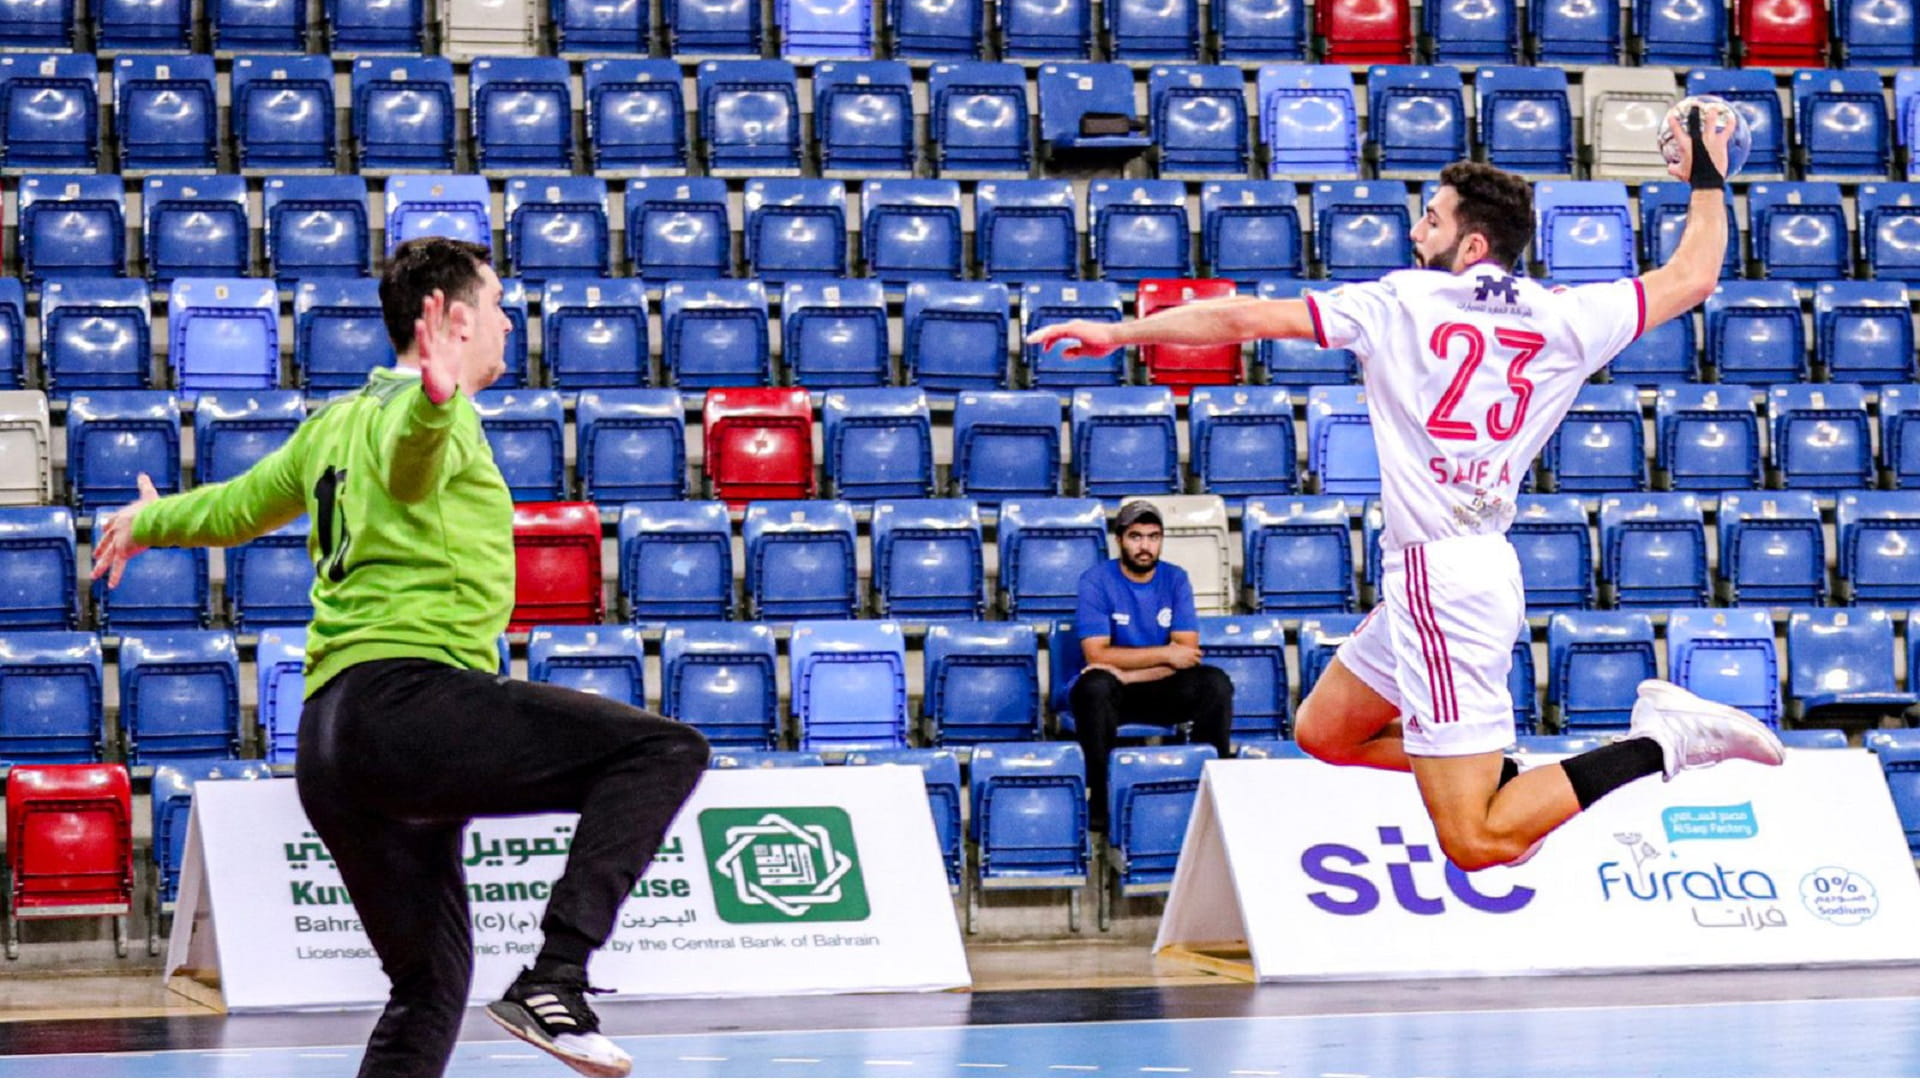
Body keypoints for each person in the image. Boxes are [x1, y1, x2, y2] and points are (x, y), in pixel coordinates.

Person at [1027, 107, 1783, 872]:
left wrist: (1123, 333)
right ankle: (1501, 775)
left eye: (1431, 220)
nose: (1417, 234)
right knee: (1325, 732)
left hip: (1441, 584)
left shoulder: (1397, 302)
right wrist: (1711, 173)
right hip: (1465, 567)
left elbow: (1245, 317)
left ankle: (1661, 741)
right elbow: (1695, 275)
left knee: (1478, 841)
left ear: (1472, 244)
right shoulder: (1567, 315)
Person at [91, 237, 710, 1079]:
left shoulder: (332, 425)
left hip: (331, 743)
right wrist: (433, 404)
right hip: (405, 707)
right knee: (663, 749)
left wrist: (148, 522)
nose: (505, 320)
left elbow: (237, 508)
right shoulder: (429, 415)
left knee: (429, 985)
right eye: (495, 305)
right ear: (452, 320)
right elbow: (411, 468)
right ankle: (557, 978)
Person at [1071, 499, 1234, 832]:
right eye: (1136, 536)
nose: (1145, 546)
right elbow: (1096, 655)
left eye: (1153, 536)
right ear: (1119, 540)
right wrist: (1163, 655)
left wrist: (1128, 673)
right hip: (1113, 694)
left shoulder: (1175, 579)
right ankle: (1101, 801)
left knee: (1215, 683)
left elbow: (1186, 654)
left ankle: (1210, 793)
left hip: (1156, 686)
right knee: (1093, 687)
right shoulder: (1095, 581)